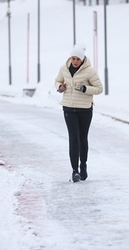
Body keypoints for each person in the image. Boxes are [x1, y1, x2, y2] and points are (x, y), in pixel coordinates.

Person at [54, 44, 103, 182]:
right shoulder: (64, 69)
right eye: (73, 58)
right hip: (68, 108)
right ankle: (74, 171)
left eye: (77, 59)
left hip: (85, 109)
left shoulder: (90, 71)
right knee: (73, 138)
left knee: (82, 138)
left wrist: (84, 89)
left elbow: (99, 88)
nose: (75, 61)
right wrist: (60, 87)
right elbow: (57, 81)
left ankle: (83, 166)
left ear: (82, 59)